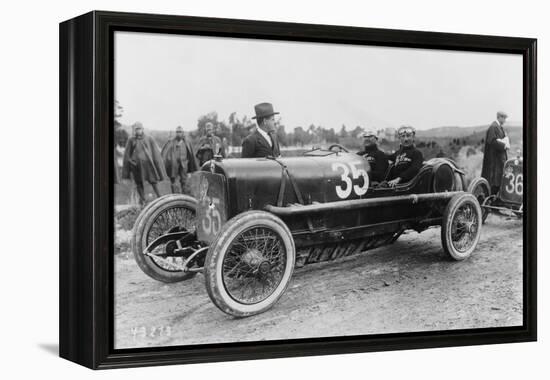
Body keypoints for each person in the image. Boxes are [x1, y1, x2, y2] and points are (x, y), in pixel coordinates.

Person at [122, 122, 166, 205]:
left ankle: (160, 197)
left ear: (142, 129)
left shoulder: (149, 138)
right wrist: (131, 163)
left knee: (153, 181)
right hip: (136, 166)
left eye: (139, 129)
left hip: (148, 165)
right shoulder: (131, 140)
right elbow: (127, 154)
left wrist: (157, 164)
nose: (138, 131)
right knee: (139, 183)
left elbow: (155, 152)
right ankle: (143, 201)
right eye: (136, 129)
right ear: (134, 130)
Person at [161, 126, 198, 194]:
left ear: (183, 132)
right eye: (177, 132)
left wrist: (189, 163)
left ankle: (185, 194)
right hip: (174, 165)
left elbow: (190, 154)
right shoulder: (172, 142)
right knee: (173, 180)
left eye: (180, 132)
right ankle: (175, 194)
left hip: (184, 164)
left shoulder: (186, 142)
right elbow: (166, 152)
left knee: (184, 180)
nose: (178, 133)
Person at [481, 111, 510, 195]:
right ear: (499, 117)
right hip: (494, 161)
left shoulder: (500, 128)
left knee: (498, 181)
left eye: (505, 118)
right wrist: (504, 145)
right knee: (493, 182)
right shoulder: (493, 127)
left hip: (499, 160)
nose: (505, 120)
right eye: (503, 118)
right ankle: (489, 199)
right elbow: (492, 141)